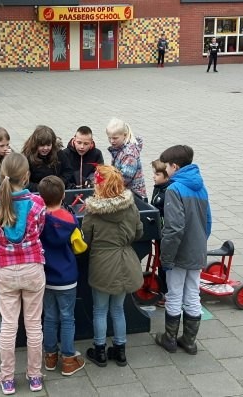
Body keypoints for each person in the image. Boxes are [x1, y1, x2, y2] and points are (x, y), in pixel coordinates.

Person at [0, 153, 47, 395]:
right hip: (33, 267)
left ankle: (7, 378)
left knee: (8, 326)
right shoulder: (38, 204)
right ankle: (34, 377)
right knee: (33, 326)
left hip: (6, 270)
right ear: (26, 176)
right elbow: (39, 230)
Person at [83, 165, 143, 368]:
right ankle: (120, 351)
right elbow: (138, 232)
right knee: (118, 309)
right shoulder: (131, 206)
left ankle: (99, 351)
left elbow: (86, 240)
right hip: (126, 261)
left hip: (102, 263)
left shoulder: (92, 212)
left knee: (99, 310)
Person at [154, 145, 210, 355]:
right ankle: (189, 341)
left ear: (174, 166)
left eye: (167, 166)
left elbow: (173, 227)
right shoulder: (201, 186)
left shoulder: (174, 189)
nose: (166, 170)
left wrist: (166, 257)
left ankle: (169, 339)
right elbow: (208, 220)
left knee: (174, 293)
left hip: (178, 252)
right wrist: (200, 242)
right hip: (197, 250)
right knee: (193, 294)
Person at [38, 176, 86, 377]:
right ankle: (68, 359)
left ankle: (49, 356)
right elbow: (79, 246)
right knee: (67, 318)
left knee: (49, 317)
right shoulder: (69, 219)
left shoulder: (38, 217)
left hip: (46, 276)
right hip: (66, 276)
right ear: (63, 195)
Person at [21, 125, 72, 192]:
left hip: (57, 190)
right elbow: (24, 182)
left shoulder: (58, 153)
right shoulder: (27, 157)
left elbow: (68, 171)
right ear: (35, 144)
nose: (45, 148)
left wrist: (59, 183)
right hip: (36, 193)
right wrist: (42, 188)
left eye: (48, 145)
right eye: (42, 145)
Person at [106, 118, 146, 199]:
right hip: (125, 194)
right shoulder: (118, 149)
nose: (111, 141)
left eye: (115, 138)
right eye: (109, 138)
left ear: (124, 135)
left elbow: (124, 178)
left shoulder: (129, 154)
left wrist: (108, 184)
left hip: (134, 197)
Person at [150, 159, 171, 306]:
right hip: (158, 231)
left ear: (167, 176)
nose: (154, 177)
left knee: (164, 263)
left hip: (164, 233)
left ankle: (166, 293)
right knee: (159, 261)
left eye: (157, 174)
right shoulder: (158, 187)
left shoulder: (167, 192)